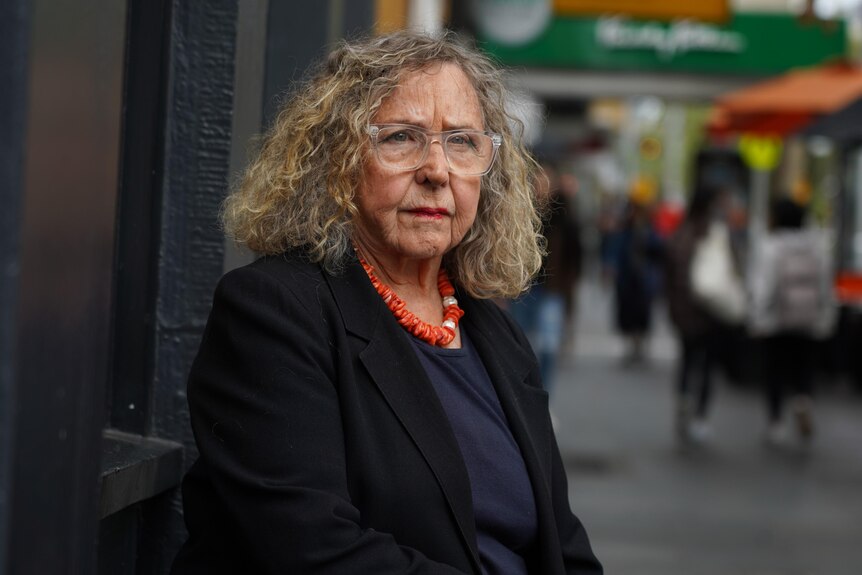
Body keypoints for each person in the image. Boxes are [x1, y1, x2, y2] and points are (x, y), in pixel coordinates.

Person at [170, 31, 602, 575]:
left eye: (463, 142)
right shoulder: (275, 310)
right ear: (338, 160)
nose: (437, 170)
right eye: (401, 137)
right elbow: (312, 549)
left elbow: (563, 544)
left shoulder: (496, 332)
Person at [748, 196, 836, 446]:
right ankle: (803, 400)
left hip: (777, 319)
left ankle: (776, 421)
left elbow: (765, 286)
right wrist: (825, 318)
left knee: (774, 370)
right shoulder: (817, 247)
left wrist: (757, 317)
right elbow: (825, 287)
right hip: (808, 319)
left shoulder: (771, 246)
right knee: (804, 366)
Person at [664, 184, 739, 444]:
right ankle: (699, 417)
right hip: (710, 311)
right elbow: (729, 270)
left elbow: (670, 274)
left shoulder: (681, 232)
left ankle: (684, 399)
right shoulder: (716, 233)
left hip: (684, 313)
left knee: (687, 360)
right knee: (707, 365)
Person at [509, 163, 583, 394]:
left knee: (548, 345)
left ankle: (543, 394)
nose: (541, 186)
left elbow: (576, 255)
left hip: (552, 290)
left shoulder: (563, 216)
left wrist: (569, 289)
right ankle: (521, 394)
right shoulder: (522, 214)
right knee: (519, 344)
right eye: (538, 181)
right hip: (524, 287)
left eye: (546, 181)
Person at [608, 178, 663, 364]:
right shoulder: (625, 224)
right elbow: (616, 247)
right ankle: (631, 345)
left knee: (643, 312)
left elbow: (659, 248)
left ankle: (640, 345)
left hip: (644, 277)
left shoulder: (651, 226)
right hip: (628, 276)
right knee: (627, 311)